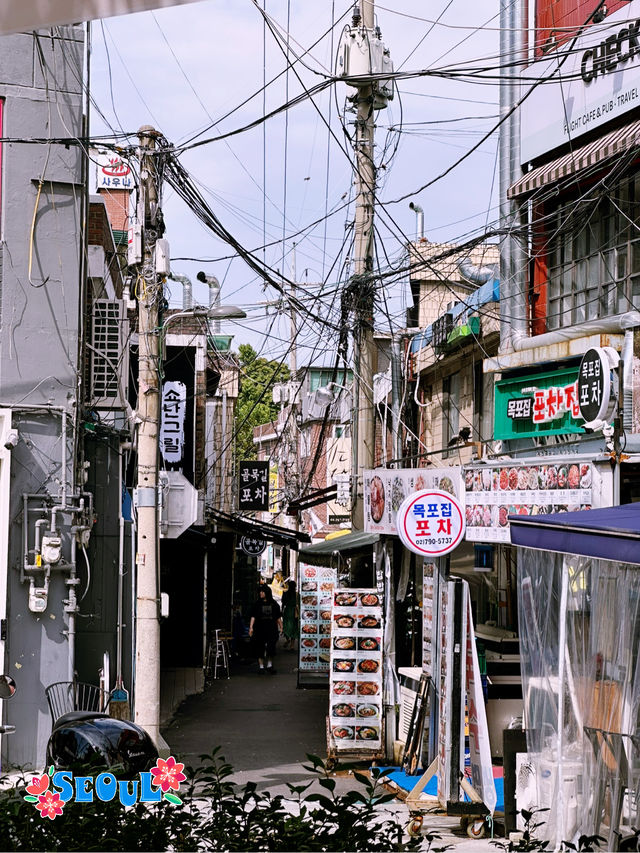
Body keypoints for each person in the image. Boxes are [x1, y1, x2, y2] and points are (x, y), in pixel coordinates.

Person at [248, 584, 282, 674]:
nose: (260, 593)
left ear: (267, 593)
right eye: (260, 592)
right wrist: (251, 627)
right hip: (259, 629)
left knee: (271, 647)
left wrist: (281, 627)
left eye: (262, 592)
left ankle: (270, 665)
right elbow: (253, 617)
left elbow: (278, 617)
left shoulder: (274, 604)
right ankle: (261, 667)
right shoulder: (257, 604)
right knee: (259, 647)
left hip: (271, 629)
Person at [281, 579, 298, 650]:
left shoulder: (285, 593)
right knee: (294, 628)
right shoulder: (297, 595)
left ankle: (287, 640)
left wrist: (282, 611)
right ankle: (292, 645)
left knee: (286, 626)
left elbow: (283, 603)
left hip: (287, 611)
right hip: (294, 612)